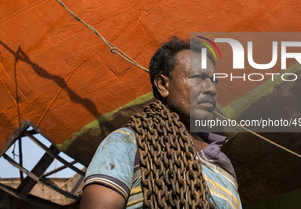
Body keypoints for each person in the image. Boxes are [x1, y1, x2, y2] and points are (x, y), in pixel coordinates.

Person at [80, 37, 242, 209]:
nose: (211, 89)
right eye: (197, 77)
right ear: (163, 84)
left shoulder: (224, 166)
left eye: (214, 80)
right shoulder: (126, 143)